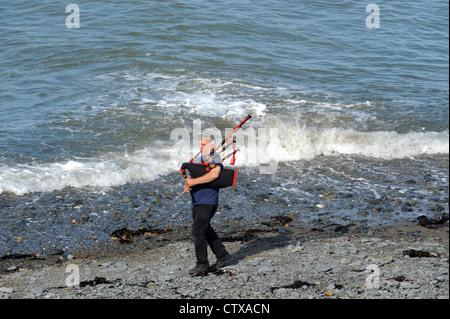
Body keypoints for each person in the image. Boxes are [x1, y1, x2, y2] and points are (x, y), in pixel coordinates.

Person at [183, 135, 231, 276]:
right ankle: (222, 255)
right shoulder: (199, 159)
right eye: (200, 144)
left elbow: (214, 175)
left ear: (211, 146)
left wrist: (194, 182)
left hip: (208, 201)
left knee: (198, 232)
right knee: (205, 229)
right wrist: (187, 183)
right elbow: (194, 176)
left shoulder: (215, 158)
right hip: (197, 200)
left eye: (203, 144)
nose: (200, 147)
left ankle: (202, 264)